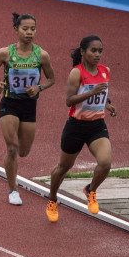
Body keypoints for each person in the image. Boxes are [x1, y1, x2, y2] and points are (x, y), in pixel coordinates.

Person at [0, 13, 55, 205]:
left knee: (24, 151)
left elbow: (51, 79)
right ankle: (12, 190)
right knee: (13, 148)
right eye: (25, 29)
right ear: (16, 29)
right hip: (9, 103)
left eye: (33, 28)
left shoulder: (41, 55)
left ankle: (13, 170)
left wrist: (39, 87)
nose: (29, 32)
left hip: (29, 106)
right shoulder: (5, 53)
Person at [46, 35, 116, 222]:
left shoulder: (105, 71)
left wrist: (107, 103)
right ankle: (52, 199)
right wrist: (91, 92)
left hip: (96, 125)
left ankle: (90, 190)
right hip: (76, 126)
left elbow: (102, 93)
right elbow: (69, 100)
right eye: (93, 50)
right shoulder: (76, 73)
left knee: (105, 163)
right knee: (63, 167)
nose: (97, 54)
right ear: (83, 52)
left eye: (100, 51)